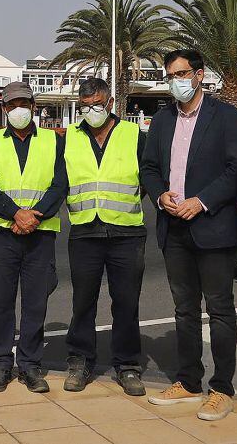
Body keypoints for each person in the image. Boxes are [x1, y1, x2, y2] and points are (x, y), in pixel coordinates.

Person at [140, 50, 237, 420]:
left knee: (219, 310)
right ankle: (188, 381)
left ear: (199, 75)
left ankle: (222, 389)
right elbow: (150, 169)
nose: (176, 81)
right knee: (184, 309)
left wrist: (201, 201)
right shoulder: (162, 120)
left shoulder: (227, 118)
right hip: (174, 228)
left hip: (212, 228)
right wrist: (160, 195)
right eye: (170, 75)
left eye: (182, 73)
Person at [0, 81, 66, 394]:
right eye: (12, 105)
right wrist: (15, 214)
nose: (19, 110)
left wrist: (34, 215)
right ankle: (1, 363)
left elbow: (60, 184)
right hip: (4, 232)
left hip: (40, 233)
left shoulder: (54, 142)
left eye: (24, 104)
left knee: (35, 302)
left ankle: (30, 365)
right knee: (0, 301)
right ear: (4, 109)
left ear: (33, 107)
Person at [63, 77, 147, 396]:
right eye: (85, 106)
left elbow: (151, 175)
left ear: (110, 102)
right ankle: (81, 361)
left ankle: (127, 365)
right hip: (85, 230)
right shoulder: (70, 137)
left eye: (97, 104)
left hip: (126, 232)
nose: (91, 111)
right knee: (83, 302)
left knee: (126, 302)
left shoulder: (132, 135)